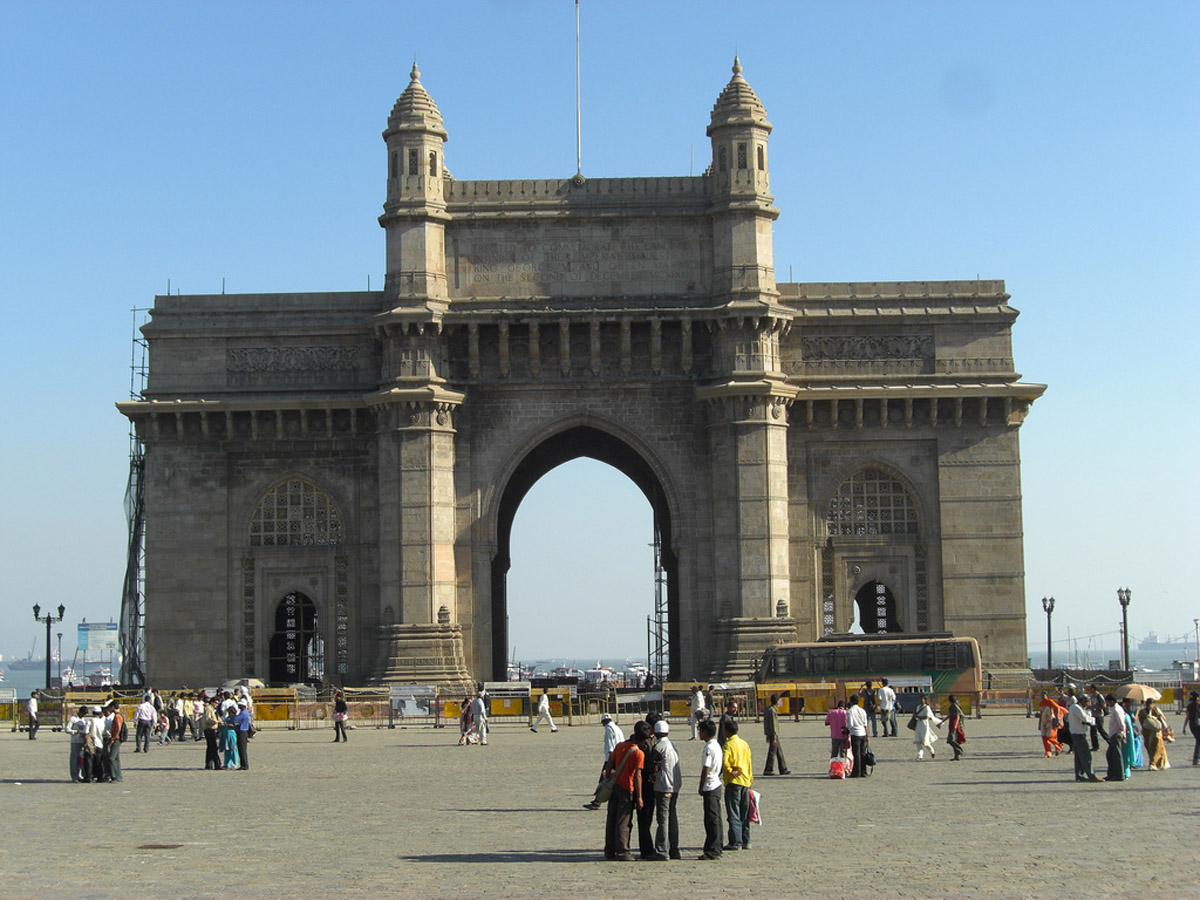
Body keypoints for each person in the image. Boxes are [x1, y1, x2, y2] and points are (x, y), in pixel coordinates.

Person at [603, 721, 647, 861]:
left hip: (614, 786)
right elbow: (638, 776)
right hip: (627, 788)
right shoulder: (638, 753)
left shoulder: (620, 746)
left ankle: (609, 850)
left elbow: (610, 764)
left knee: (611, 819)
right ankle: (623, 851)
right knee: (624, 821)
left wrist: (608, 779)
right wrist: (639, 797)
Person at [650, 720, 681, 860]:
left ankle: (662, 850)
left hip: (664, 786)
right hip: (675, 785)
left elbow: (652, 764)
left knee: (663, 819)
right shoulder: (671, 745)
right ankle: (674, 849)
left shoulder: (659, 746)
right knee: (672, 817)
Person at [721, 719, 753, 850]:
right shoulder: (744, 744)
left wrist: (729, 771)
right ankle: (746, 840)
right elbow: (749, 762)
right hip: (745, 780)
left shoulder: (728, 745)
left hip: (733, 781)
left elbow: (725, 762)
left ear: (727, 731)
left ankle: (735, 841)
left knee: (733, 812)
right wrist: (750, 779)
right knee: (744, 813)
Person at [696, 718, 723, 860]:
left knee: (711, 819)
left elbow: (706, 768)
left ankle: (712, 849)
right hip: (717, 783)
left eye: (701, 731)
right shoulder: (717, 745)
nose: (699, 733)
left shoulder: (709, 748)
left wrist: (700, 786)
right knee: (717, 817)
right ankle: (717, 845)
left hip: (710, 785)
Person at [1065, 689, 1101, 781]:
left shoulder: (1075, 707)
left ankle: (1079, 775)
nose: (1089, 704)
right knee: (1086, 755)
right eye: (1088, 702)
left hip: (1075, 733)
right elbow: (1086, 719)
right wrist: (1091, 715)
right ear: (1084, 702)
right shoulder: (1077, 708)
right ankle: (1091, 775)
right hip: (1079, 734)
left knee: (1078, 756)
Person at [762, 693, 790, 776]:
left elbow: (766, 724)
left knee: (778, 752)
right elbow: (773, 724)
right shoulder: (772, 710)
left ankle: (783, 768)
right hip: (773, 734)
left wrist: (767, 734)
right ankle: (768, 769)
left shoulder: (768, 709)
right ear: (777, 701)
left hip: (771, 733)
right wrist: (773, 736)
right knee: (772, 752)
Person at [1138, 698, 1170, 771]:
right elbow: (1164, 719)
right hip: (1154, 733)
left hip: (1148, 733)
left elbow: (1142, 723)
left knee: (1154, 749)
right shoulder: (1149, 711)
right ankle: (1154, 764)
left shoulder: (1144, 711)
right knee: (1155, 748)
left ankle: (1154, 763)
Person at [1103, 694, 1126, 781]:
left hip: (1116, 734)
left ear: (1112, 701)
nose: (1107, 704)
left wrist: (1121, 731)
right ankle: (1112, 774)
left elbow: (1121, 723)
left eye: (1108, 702)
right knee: (1110, 755)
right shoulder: (1116, 709)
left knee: (1116, 755)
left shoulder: (1116, 710)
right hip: (1114, 734)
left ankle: (1119, 775)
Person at [845, 694, 869, 776]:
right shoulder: (862, 711)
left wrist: (845, 727)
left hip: (855, 734)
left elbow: (850, 724)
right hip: (863, 733)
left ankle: (856, 772)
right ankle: (864, 771)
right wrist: (867, 735)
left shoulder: (850, 711)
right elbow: (865, 724)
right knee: (863, 753)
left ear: (851, 702)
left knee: (856, 754)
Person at [913, 695, 942, 760]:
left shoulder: (927, 708)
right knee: (918, 741)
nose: (921, 701)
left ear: (925, 700)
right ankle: (920, 755)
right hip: (918, 725)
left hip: (924, 725)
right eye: (920, 699)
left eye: (922, 699)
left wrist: (918, 717)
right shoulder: (918, 707)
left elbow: (927, 717)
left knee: (925, 741)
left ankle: (932, 751)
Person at [66, 705, 90, 782]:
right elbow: (67, 729)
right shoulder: (73, 719)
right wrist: (75, 732)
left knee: (81, 760)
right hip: (75, 741)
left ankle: (79, 775)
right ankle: (74, 776)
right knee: (74, 759)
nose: (84, 715)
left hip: (82, 741)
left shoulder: (84, 720)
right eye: (83, 713)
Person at [1037, 692, 1065, 757]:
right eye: (1041, 695)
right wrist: (1039, 723)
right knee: (1044, 736)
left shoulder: (1050, 701)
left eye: (1044, 695)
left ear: (1047, 695)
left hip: (1050, 721)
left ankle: (1058, 745)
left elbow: (1057, 708)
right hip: (1043, 722)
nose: (1042, 697)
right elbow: (1041, 714)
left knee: (1049, 736)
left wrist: (1057, 718)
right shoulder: (1041, 703)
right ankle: (1048, 751)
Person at [939, 695, 966, 761]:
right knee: (955, 740)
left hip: (955, 725)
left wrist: (955, 725)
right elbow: (949, 715)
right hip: (952, 724)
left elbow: (957, 716)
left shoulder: (954, 706)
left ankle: (959, 750)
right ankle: (957, 755)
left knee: (950, 739)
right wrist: (941, 722)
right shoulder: (953, 706)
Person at [104, 700, 124, 783]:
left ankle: (114, 776)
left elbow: (118, 727)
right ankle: (118, 776)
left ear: (112, 707)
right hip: (116, 738)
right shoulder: (117, 715)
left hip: (116, 739)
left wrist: (113, 738)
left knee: (111, 758)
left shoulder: (117, 716)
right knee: (116, 758)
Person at [231, 699, 252, 769]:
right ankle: (243, 764)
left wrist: (232, 715)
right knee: (242, 749)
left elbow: (235, 719)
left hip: (242, 731)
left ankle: (244, 765)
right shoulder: (244, 712)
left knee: (242, 749)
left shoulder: (243, 713)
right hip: (243, 730)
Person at [202, 696, 222, 769]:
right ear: (212, 702)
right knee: (213, 747)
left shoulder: (213, 709)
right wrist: (216, 721)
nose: (217, 704)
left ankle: (209, 765)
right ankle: (217, 764)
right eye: (216, 703)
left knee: (210, 748)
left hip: (212, 729)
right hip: (209, 729)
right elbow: (207, 719)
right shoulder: (208, 709)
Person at [1182, 690, 1199, 767]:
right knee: (1199, 742)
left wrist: (1184, 727)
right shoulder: (1198, 705)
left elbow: (1187, 717)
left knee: (1198, 741)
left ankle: (1196, 759)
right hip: (1198, 725)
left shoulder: (1189, 706)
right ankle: (1196, 759)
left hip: (1192, 725)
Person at [1086, 685, 1105, 752]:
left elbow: (1104, 705)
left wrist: (1096, 708)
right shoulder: (1092, 696)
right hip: (1093, 716)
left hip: (1099, 715)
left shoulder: (1099, 695)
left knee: (1101, 730)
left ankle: (1110, 742)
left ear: (1094, 689)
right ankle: (1095, 746)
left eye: (1091, 689)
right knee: (1093, 731)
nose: (1090, 690)